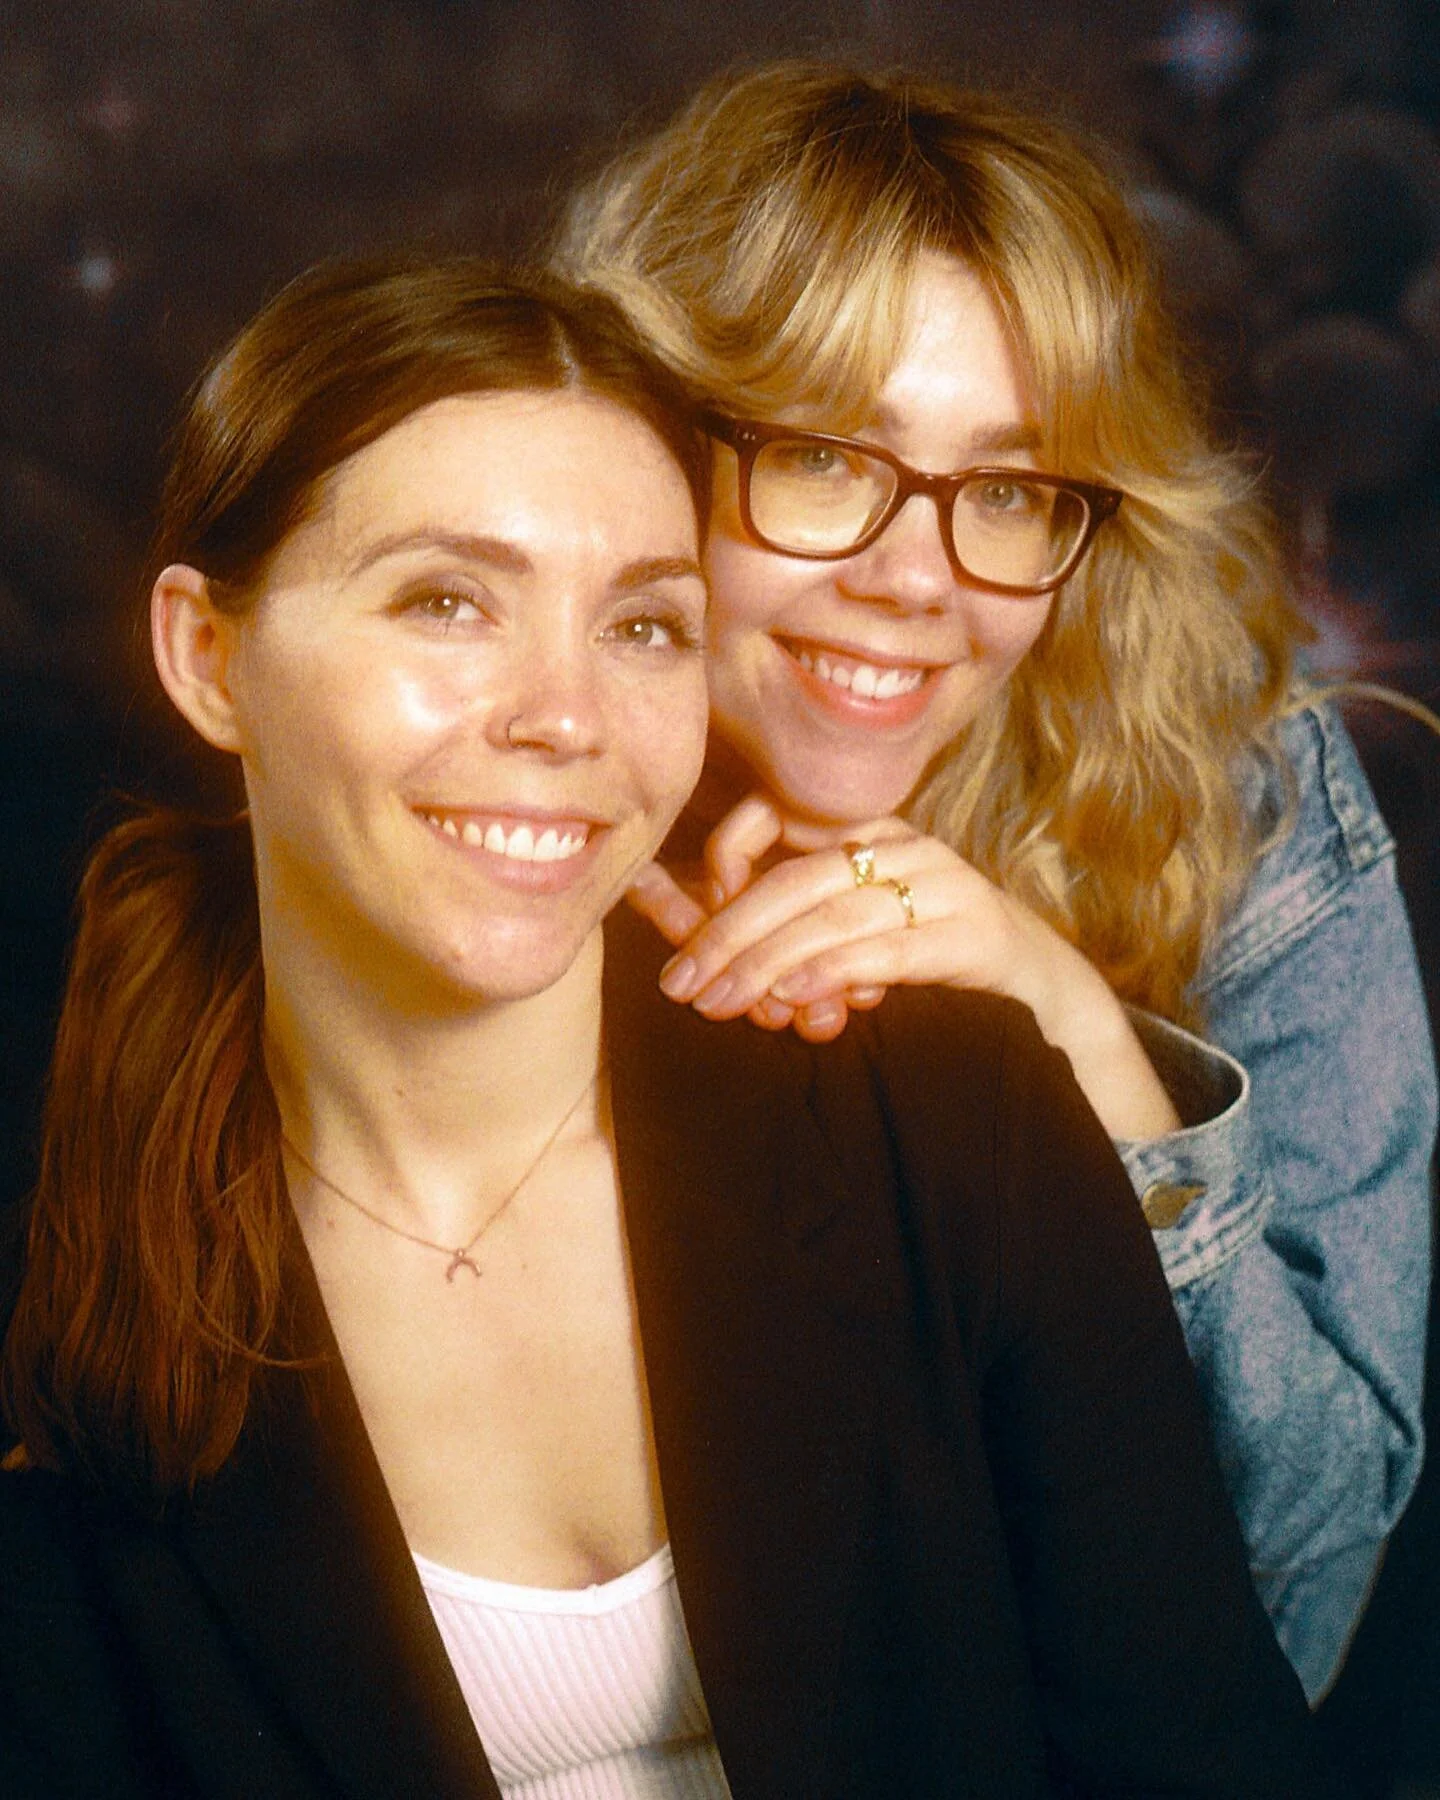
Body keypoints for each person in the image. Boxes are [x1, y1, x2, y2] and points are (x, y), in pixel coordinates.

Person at [0, 256, 1340, 1797]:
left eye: (643, 628)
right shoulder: (67, 1286)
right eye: (448, 602)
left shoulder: (949, 1119)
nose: (563, 716)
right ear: (208, 657)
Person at [551, 60, 1438, 1704]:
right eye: (825, 458)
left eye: (1011, 492)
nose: (914, 581)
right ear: (645, 441)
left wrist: (1076, 1037)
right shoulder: (498, 809)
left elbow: (1295, 1576)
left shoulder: (1246, 810)